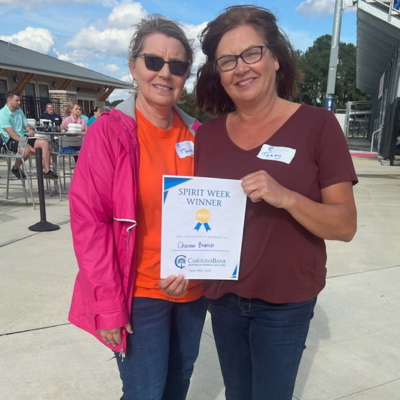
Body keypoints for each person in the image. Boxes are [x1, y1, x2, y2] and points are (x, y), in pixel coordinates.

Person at [194, 6, 358, 400]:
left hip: (286, 301)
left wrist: (286, 197)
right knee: (238, 393)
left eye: (252, 53)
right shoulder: (207, 136)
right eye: (227, 61)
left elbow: (344, 225)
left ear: (275, 57)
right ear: (218, 72)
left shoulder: (318, 125)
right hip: (224, 298)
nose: (241, 68)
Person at [68, 15, 207, 400]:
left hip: (192, 292)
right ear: (133, 67)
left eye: (177, 66)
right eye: (154, 62)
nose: (165, 73)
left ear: (185, 76)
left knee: (178, 384)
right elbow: (89, 224)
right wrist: (109, 306)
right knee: (145, 390)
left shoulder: (199, 135)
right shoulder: (109, 132)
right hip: (139, 293)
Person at [0, 90, 58, 180]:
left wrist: (29, 129)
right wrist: (30, 147)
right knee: (26, 151)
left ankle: (47, 171)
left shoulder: (19, 111)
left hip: (22, 137)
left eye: (20, 100)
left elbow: (26, 125)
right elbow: (13, 136)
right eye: (17, 100)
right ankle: (15, 169)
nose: (19, 102)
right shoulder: (3, 113)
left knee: (44, 142)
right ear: (9, 100)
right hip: (10, 140)